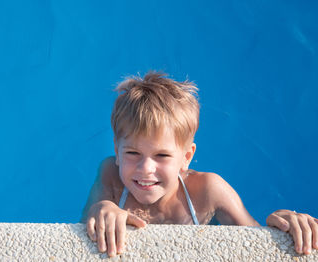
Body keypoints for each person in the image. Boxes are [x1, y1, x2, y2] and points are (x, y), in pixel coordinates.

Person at [81, 72, 318, 257]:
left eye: (162, 156)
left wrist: (282, 224)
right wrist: (101, 209)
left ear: (186, 157)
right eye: (132, 152)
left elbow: (254, 238)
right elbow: (84, 228)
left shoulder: (208, 191)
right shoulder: (110, 175)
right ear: (117, 151)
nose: (145, 169)